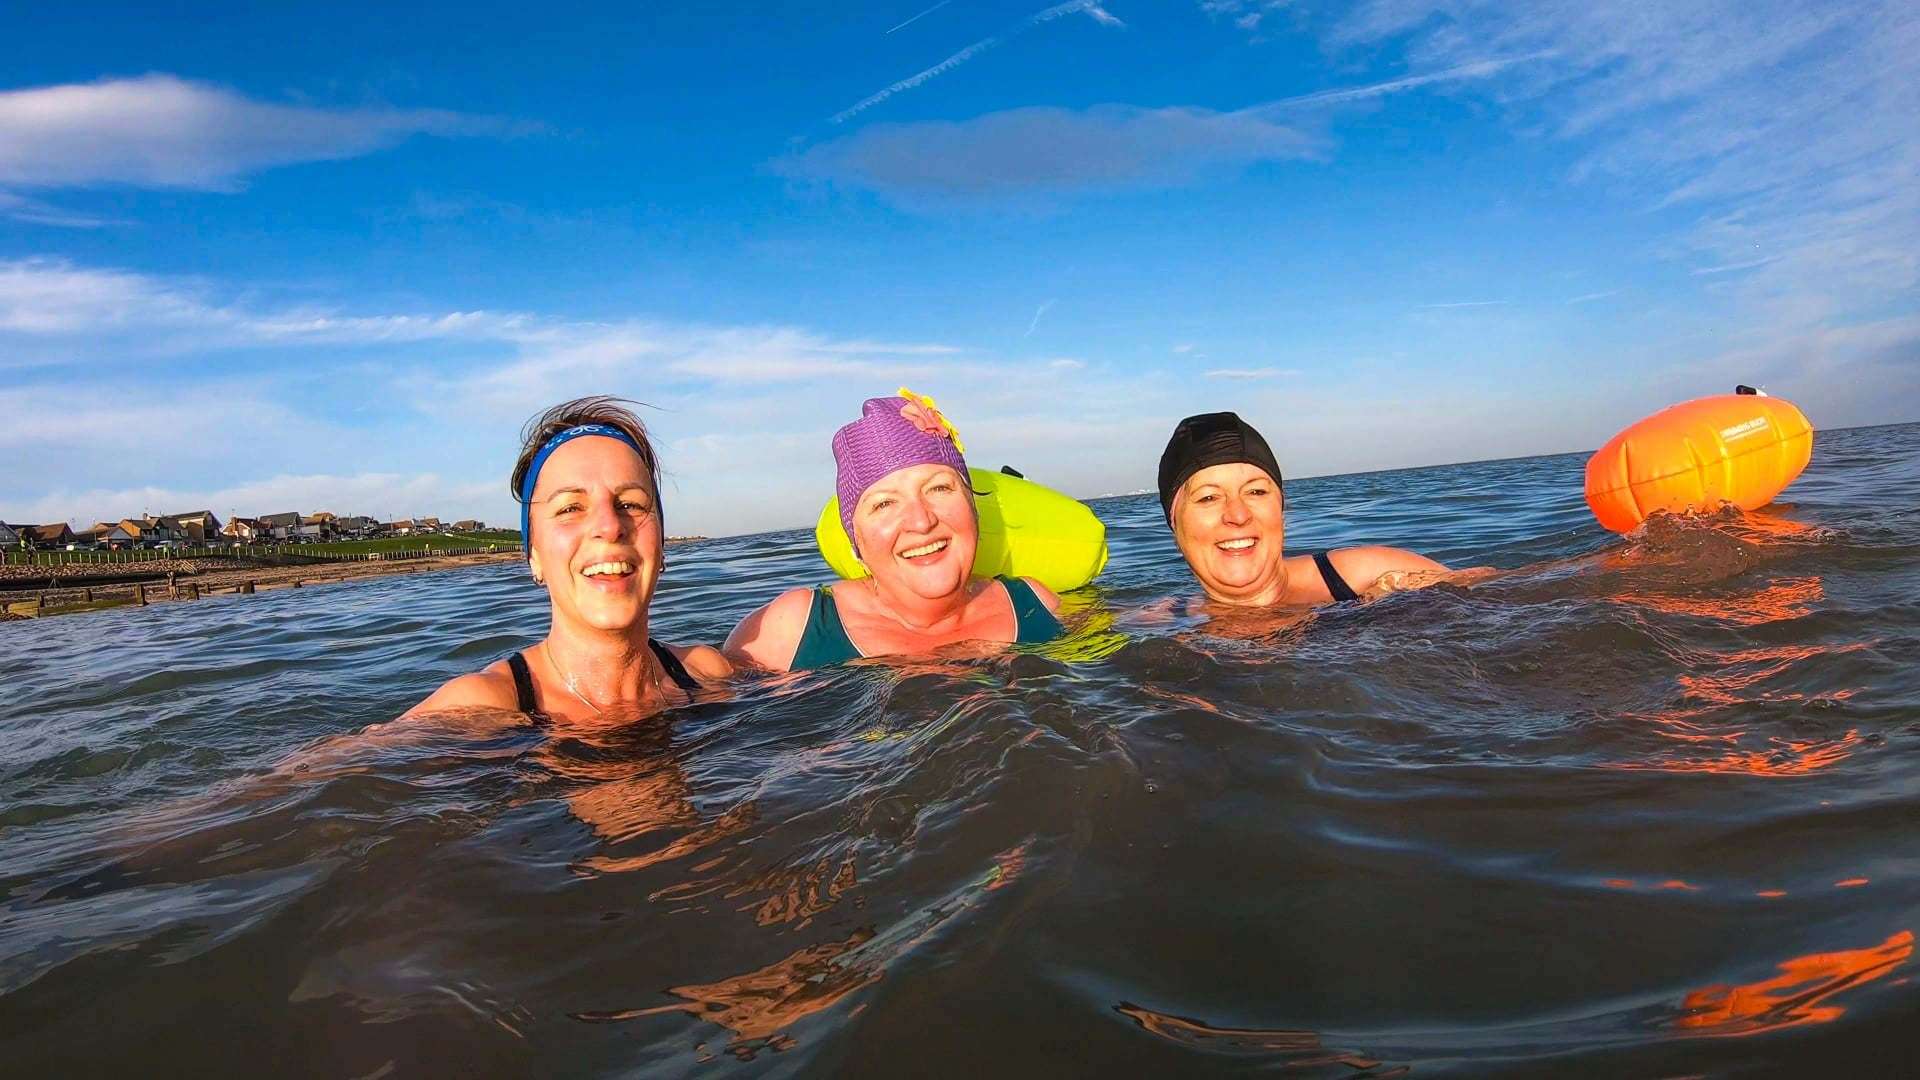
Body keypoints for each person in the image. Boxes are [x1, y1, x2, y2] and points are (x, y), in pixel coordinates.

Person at [407, 396, 730, 722]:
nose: (610, 526)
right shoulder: (477, 711)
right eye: (570, 508)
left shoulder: (705, 676)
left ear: (660, 544)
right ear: (534, 555)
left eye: (631, 504)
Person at [726, 391, 1064, 670]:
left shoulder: (1036, 603)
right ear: (855, 539)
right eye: (884, 504)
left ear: (973, 510)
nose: (921, 521)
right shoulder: (788, 630)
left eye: (939, 489)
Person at [1159, 411, 1456, 606]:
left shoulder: (1374, 574)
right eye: (1208, 498)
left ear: (1281, 512)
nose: (1238, 515)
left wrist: (1402, 611)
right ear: (1174, 524)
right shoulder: (1155, 627)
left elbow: (1496, 594)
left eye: (1256, 491)